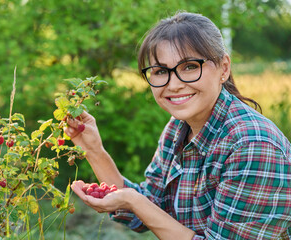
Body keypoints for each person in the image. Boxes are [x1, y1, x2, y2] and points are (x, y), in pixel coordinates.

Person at [66, 11, 291, 239]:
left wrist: (133, 201)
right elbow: (152, 204)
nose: (174, 85)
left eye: (190, 67)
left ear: (223, 68)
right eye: (161, 71)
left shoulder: (252, 145)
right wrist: (94, 150)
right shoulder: (178, 128)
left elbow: (142, 205)